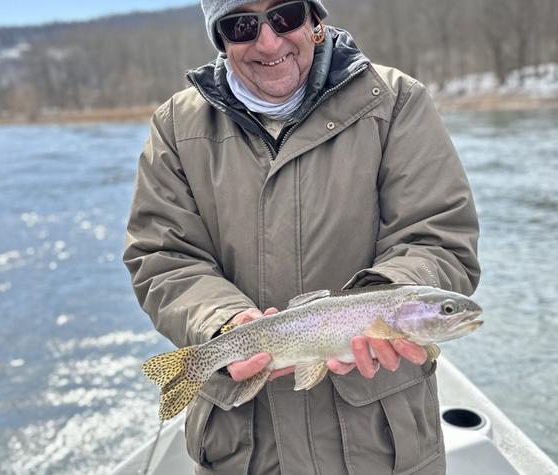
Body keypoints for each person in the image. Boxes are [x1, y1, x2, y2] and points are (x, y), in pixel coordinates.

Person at [123, 0, 480, 473]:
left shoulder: (394, 101)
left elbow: (439, 237)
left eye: (286, 14)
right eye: (241, 25)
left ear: (315, 19)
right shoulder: (176, 127)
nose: (269, 41)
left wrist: (381, 298)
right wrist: (222, 323)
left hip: (384, 446)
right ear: (221, 39)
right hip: (240, 449)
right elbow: (163, 257)